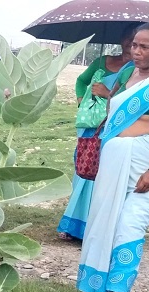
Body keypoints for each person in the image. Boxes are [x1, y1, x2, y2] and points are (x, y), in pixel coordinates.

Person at [76, 23, 149, 292]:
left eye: (145, 47)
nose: (137, 51)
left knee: (131, 222)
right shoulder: (124, 73)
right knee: (104, 220)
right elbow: (111, 111)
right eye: (135, 45)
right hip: (113, 159)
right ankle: (96, 285)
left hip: (142, 162)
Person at [58, 26, 137, 241]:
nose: (132, 45)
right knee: (83, 169)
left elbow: (128, 99)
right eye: (129, 40)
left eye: (137, 42)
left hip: (112, 125)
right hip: (90, 125)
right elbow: (81, 81)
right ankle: (74, 225)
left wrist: (106, 93)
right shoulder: (102, 62)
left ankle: (94, 226)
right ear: (121, 40)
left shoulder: (135, 70)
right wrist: (81, 100)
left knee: (103, 173)